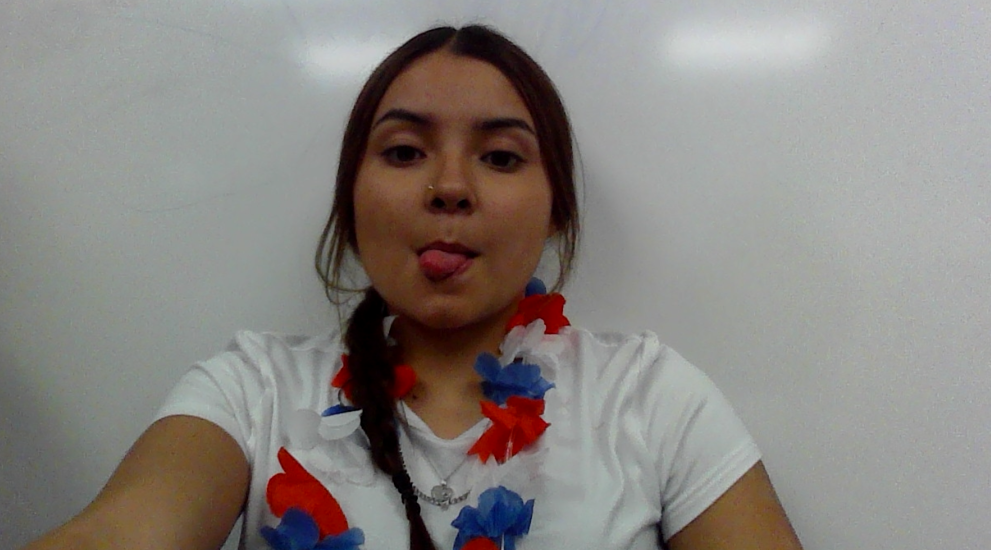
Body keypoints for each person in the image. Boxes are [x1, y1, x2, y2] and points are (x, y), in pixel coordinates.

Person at [24, 25, 804, 550]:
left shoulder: (652, 398)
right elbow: (120, 533)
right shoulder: (251, 392)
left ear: (556, 211)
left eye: (500, 157)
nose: (449, 187)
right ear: (350, 200)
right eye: (403, 152)